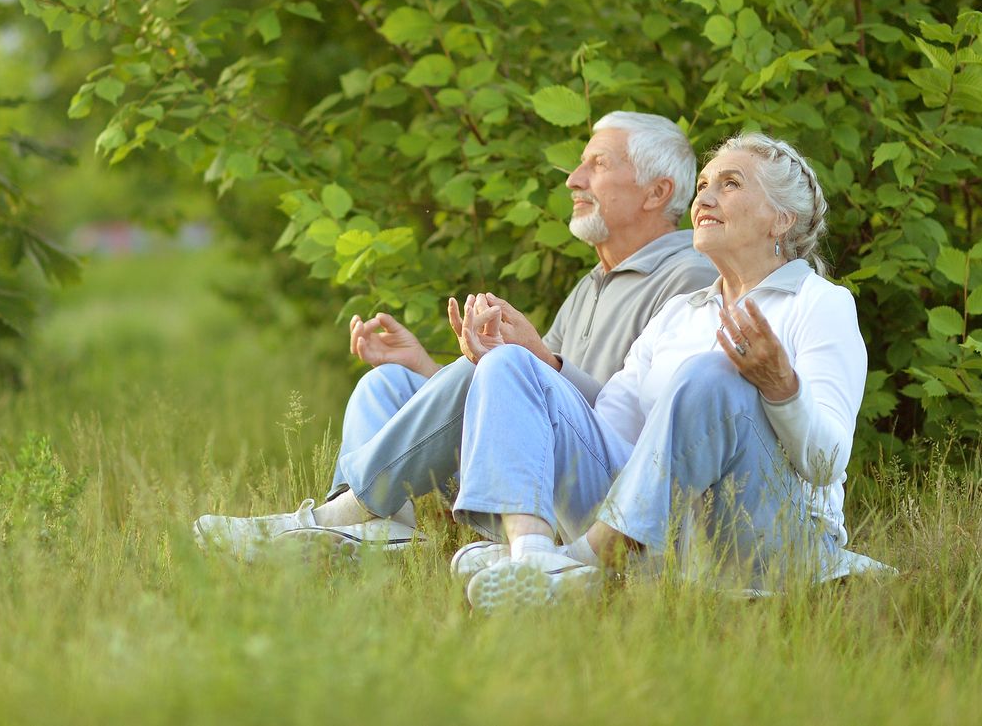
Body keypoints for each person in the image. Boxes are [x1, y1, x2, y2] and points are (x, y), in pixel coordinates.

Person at [193, 112, 718, 560]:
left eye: (597, 164)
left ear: (658, 192)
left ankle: (336, 516)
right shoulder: (593, 282)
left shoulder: (688, 279)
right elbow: (524, 391)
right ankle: (374, 535)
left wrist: (538, 360)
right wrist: (428, 369)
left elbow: (647, 426)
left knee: (486, 368)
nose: (573, 180)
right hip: (538, 453)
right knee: (390, 383)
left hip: (603, 491)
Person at [446, 131, 886, 611]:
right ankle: (530, 559)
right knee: (509, 364)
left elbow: (827, 463)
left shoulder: (821, 303)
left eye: (731, 184)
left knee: (714, 375)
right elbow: (606, 428)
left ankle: (580, 561)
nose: (705, 198)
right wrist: (535, 365)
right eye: (702, 185)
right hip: (663, 537)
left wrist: (782, 388)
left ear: (782, 219)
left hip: (766, 537)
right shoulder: (679, 313)